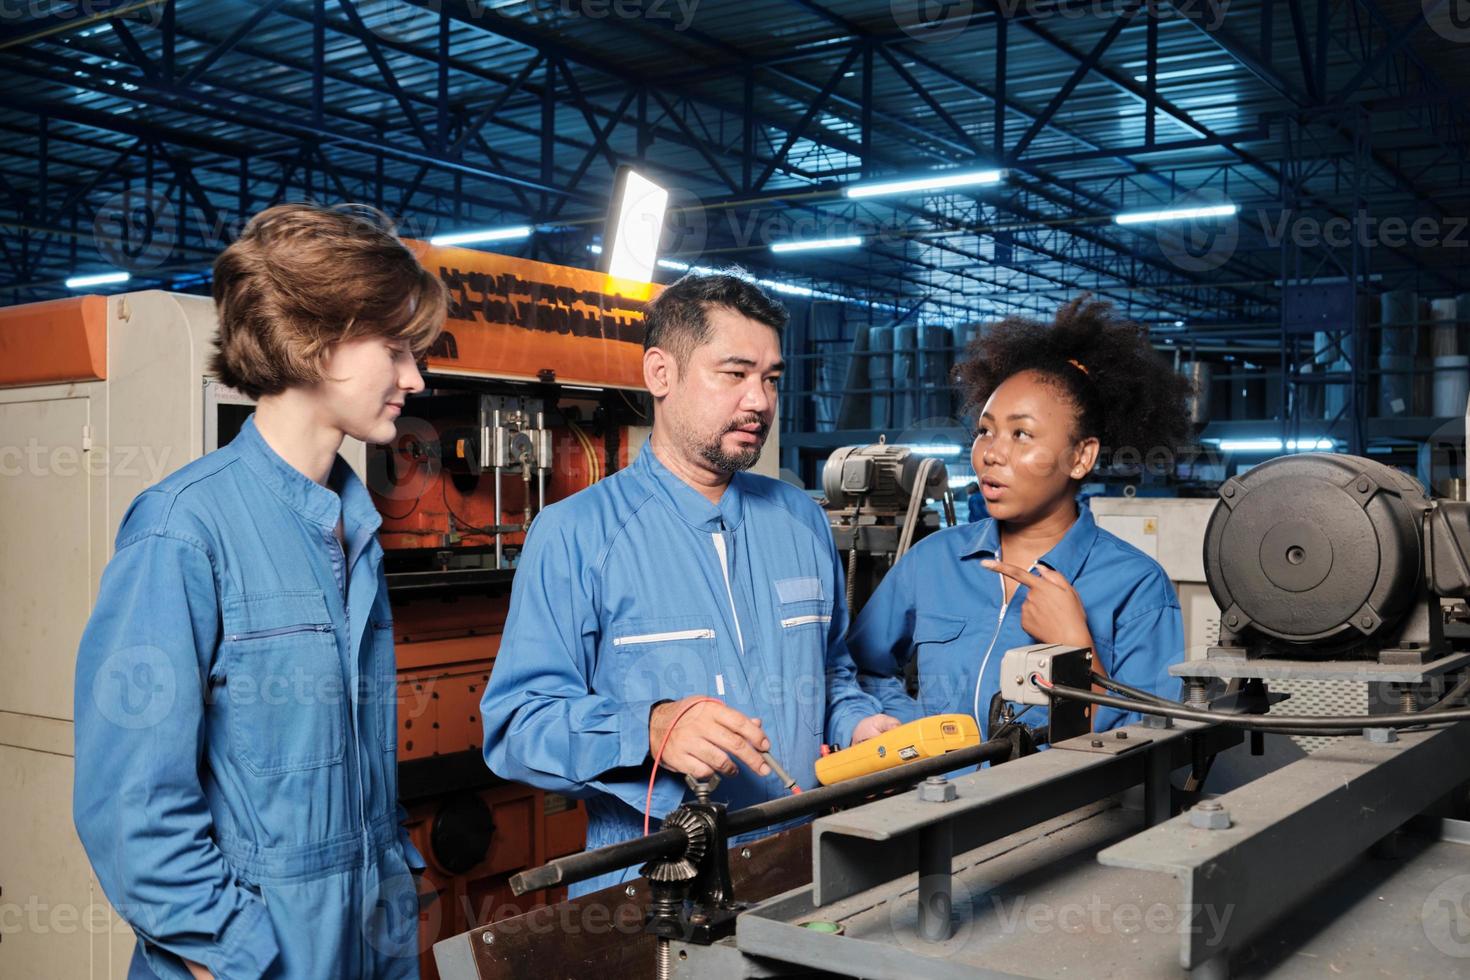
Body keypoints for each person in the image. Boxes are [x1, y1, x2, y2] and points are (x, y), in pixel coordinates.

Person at [73, 203, 445, 980]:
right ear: (317, 341)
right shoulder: (182, 531)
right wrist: (235, 954)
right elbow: (132, 808)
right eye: (396, 349)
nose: (414, 377)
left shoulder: (355, 528)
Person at [481, 271, 899, 895]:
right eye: (734, 374)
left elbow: (833, 673)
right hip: (655, 882)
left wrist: (858, 726)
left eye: (771, 378)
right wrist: (648, 728)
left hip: (802, 861)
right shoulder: (576, 534)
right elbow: (517, 725)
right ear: (661, 374)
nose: (758, 401)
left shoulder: (800, 520)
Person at [848, 297, 1190, 737]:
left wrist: (1074, 646)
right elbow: (856, 669)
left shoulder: (1138, 588)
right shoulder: (932, 562)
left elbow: (1151, 747)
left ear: (1081, 456)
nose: (991, 453)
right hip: (932, 802)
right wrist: (908, 728)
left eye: (1021, 434)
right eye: (985, 431)